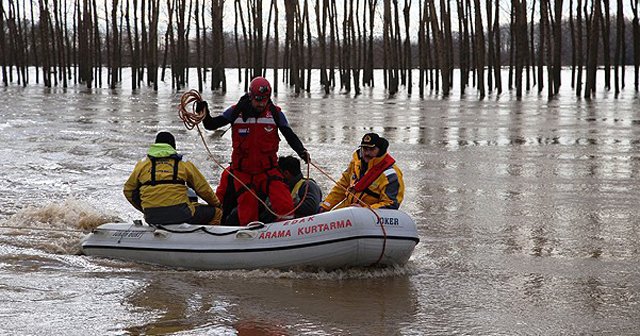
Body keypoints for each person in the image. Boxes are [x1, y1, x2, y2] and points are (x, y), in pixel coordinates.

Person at [198, 76, 310, 226]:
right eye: (257, 99)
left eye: (264, 99)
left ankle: (286, 234)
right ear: (250, 96)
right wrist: (204, 113)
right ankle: (249, 240)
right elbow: (211, 125)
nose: (261, 104)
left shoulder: (275, 114)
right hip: (243, 173)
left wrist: (302, 151)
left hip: (267, 171)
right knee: (247, 211)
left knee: (284, 203)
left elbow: (289, 135)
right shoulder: (235, 112)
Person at [123, 131, 223, 225]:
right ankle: (208, 241)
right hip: (181, 214)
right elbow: (202, 188)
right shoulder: (183, 163)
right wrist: (217, 204)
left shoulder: (142, 164)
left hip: (151, 216)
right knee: (217, 213)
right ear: (173, 146)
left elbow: (128, 190)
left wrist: (144, 208)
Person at [319, 133, 404, 211]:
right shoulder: (355, 164)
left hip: (370, 217)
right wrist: (326, 206)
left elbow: (390, 204)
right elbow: (341, 187)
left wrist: (364, 210)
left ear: (380, 150)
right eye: (365, 149)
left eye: (371, 149)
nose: (367, 153)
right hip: (348, 210)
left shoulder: (391, 174)